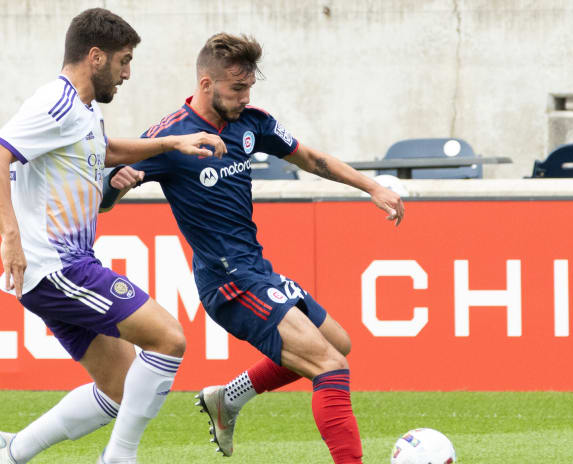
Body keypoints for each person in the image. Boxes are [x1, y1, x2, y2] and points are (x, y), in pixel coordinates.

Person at [101, 33, 405, 464]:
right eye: (236, 88)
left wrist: (372, 186)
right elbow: (104, 201)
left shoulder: (253, 123)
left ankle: (229, 398)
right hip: (227, 282)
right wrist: (114, 188)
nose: (245, 97)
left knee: (339, 341)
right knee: (330, 367)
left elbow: (311, 158)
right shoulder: (170, 137)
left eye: (249, 88)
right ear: (206, 84)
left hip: (257, 269)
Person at [0, 9, 226, 464]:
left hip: (59, 268)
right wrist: (9, 235)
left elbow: (103, 150)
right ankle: (119, 458)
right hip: (57, 266)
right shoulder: (57, 101)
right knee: (168, 339)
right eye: (124, 61)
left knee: (119, 386)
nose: (127, 73)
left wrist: (169, 143)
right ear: (95, 56)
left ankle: (12, 452)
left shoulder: (83, 111)